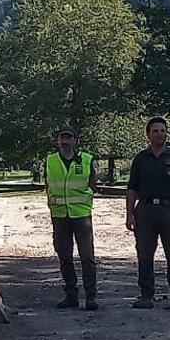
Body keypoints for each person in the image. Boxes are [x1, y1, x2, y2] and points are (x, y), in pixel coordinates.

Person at [125, 117, 170, 312]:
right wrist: (129, 214)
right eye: (155, 131)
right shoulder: (140, 159)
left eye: (163, 130)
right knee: (144, 255)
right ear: (148, 135)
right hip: (145, 211)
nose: (160, 134)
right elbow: (132, 188)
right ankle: (146, 295)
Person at [45, 127, 99, 310]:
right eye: (62, 138)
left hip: (81, 214)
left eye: (69, 137)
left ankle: (91, 296)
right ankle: (71, 295)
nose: (65, 141)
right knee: (64, 256)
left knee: (87, 257)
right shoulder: (50, 161)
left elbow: (93, 183)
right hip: (60, 215)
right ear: (58, 141)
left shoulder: (87, 160)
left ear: (75, 140)